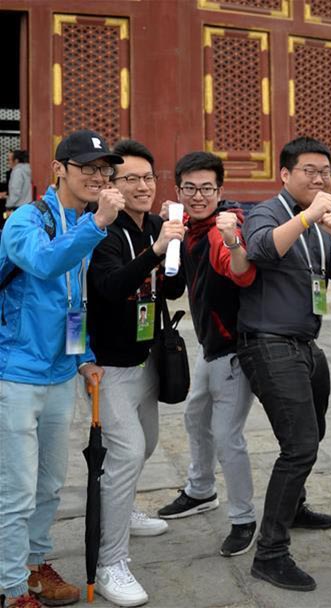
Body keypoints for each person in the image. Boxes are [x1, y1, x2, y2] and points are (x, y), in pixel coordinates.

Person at [0, 129, 125, 608]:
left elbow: (76, 301)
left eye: (103, 169)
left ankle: (34, 566)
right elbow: (45, 263)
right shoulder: (26, 221)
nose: (98, 176)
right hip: (16, 373)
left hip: (57, 374)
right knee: (16, 488)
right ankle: (12, 588)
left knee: (50, 484)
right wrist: (99, 223)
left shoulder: (81, 224)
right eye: (87, 167)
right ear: (58, 169)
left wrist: (83, 356)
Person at [236, 136, 331, 592]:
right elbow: (261, 249)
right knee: (299, 445)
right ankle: (270, 553)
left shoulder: (319, 221)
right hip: (269, 343)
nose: (320, 178)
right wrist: (308, 216)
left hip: (306, 345)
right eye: (309, 170)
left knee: (312, 434)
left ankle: (294, 506)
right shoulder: (267, 212)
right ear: (285, 174)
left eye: (325, 170)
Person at [86, 138, 186, 607]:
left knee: (145, 444)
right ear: (112, 184)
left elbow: (172, 288)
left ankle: (121, 510)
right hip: (109, 365)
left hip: (147, 357)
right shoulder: (103, 230)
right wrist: (156, 251)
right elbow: (110, 287)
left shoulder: (153, 226)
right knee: (125, 453)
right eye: (131, 179)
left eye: (148, 177)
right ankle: (110, 562)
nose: (143, 186)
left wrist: (174, 248)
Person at [155, 151, 259, 559]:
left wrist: (231, 239)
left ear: (220, 190)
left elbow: (239, 271)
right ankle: (201, 490)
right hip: (209, 347)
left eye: (206, 189)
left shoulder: (220, 230)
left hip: (233, 351)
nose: (198, 196)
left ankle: (243, 518)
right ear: (179, 190)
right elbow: (174, 285)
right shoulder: (190, 229)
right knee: (195, 418)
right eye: (190, 188)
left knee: (227, 436)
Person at [1, 151, 32, 219]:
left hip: (17, 207)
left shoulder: (17, 172)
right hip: (25, 206)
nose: (8, 162)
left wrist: (8, 205)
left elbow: (16, 192)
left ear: (16, 161)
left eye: (9, 160)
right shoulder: (26, 170)